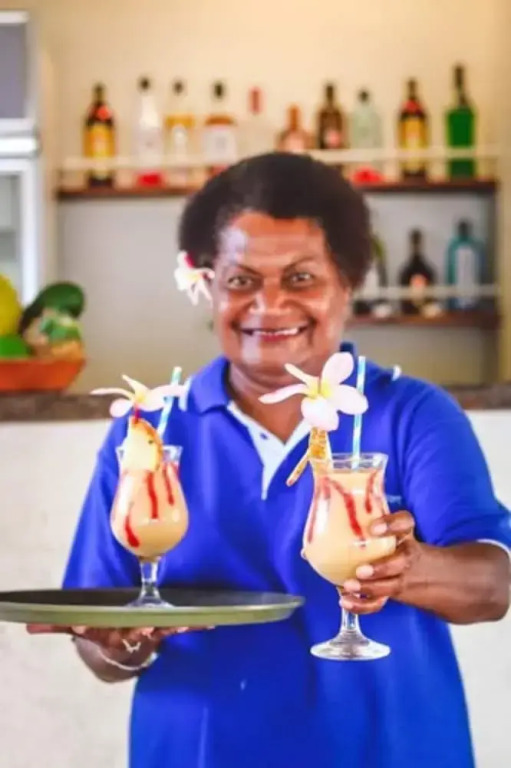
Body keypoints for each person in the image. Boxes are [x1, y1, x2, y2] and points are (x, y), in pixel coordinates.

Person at [30, 153, 510, 768]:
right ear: (206, 286)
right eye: (241, 280)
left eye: (301, 278)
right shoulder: (150, 430)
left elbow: (494, 585)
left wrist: (413, 569)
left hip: (387, 749)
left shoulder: (411, 414)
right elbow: (99, 639)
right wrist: (119, 646)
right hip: (198, 753)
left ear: (348, 283)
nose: (270, 304)